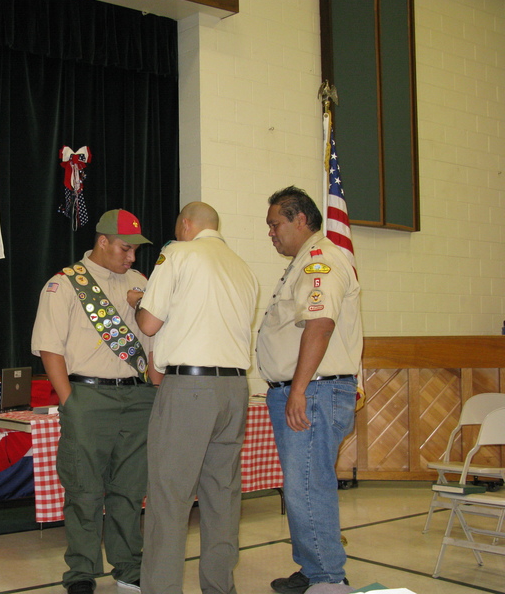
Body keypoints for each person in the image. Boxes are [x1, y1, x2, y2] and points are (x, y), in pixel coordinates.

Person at [128, 201, 259, 594]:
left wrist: (140, 301)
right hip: (235, 389)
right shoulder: (244, 268)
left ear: (185, 225)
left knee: (170, 498)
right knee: (222, 496)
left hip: (190, 388)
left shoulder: (179, 253)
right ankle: (220, 588)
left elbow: (150, 322)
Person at [31, 209, 162, 594]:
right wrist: (71, 402)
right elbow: (49, 349)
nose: (132, 257)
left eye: (136, 250)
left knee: (129, 488)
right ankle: (82, 573)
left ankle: (128, 567)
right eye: (126, 248)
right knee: (84, 490)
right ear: (102, 241)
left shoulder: (141, 282)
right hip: (87, 396)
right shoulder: (66, 284)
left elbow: (154, 342)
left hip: (138, 397)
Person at [257, 186, 362, 594]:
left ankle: (328, 579)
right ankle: (313, 567)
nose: (270, 233)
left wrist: (298, 389)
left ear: (300, 219)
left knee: (306, 485)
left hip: (314, 391)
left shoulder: (321, 262)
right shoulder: (302, 263)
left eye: (275, 224)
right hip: (302, 390)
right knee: (300, 483)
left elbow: (320, 325)